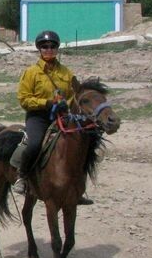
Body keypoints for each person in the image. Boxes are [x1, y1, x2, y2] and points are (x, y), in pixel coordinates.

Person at [15, 30, 93, 205]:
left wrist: (68, 104)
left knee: (83, 145)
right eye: (45, 47)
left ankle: (77, 187)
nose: (49, 50)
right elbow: (24, 99)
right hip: (39, 117)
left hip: (64, 116)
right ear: (39, 49)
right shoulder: (31, 73)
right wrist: (47, 103)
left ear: (57, 49)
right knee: (34, 144)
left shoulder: (67, 73)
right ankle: (24, 177)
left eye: (52, 46)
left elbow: (76, 94)